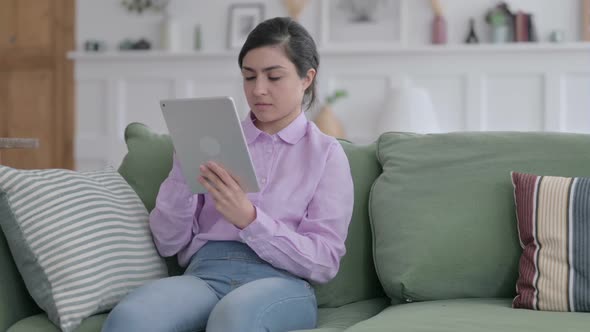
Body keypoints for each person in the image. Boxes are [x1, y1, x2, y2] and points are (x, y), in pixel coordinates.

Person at [102, 16, 354, 332]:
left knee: (233, 319)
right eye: (249, 77)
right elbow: (167, 243)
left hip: (281, 282)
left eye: (274, 77)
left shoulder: (326, 154)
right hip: (204, 274)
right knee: (132, 317)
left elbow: (324, 261)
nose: (258, 90)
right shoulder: (214, 138)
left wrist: (250, 219)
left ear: (307, 78)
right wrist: (185, 170)